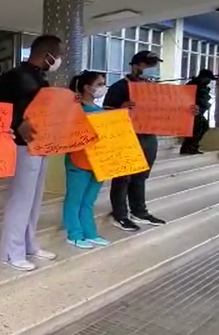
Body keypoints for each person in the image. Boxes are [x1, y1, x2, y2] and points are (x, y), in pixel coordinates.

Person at [0, 34, 62, 272]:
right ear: (46, 54)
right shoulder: (14, 77)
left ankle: (29, 243)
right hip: (21, 145)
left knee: (35, 198)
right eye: (57, 54)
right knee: (20, 198)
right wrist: (17, 121)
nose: (59, 58)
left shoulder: (41, 79)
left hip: (41, 144)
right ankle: (11, 251)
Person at [102, 51, 167, 231]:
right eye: (148, 65)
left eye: (154, 65)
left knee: (141, 176)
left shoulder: (154, 89)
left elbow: (169, 110)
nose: (152, 69)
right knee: (123, 177)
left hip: (148, 136)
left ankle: (139, 211)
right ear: (136, 65)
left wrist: (187, 111)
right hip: (126, 136)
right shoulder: (119, 87)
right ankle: (120, 214)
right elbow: (105, 113)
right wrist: (121, 108)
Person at [62, 71, 113, 249]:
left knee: (89, 201)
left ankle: (90, 233)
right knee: (74, 200)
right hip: (78, 161)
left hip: (98, 162)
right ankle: (74, 234)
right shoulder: (75, 108)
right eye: (100, 84)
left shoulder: (101, 111)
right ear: (87, 87)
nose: (103, 87)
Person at [180, 69, 216, 155]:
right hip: (191, 111)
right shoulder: (193, 85)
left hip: (198, 111)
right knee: (197, 128)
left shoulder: (202, 85)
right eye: (208, 79)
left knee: (202, 127)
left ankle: (190, 147)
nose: (209, 81)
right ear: (203, 78)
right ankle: (189, 147)